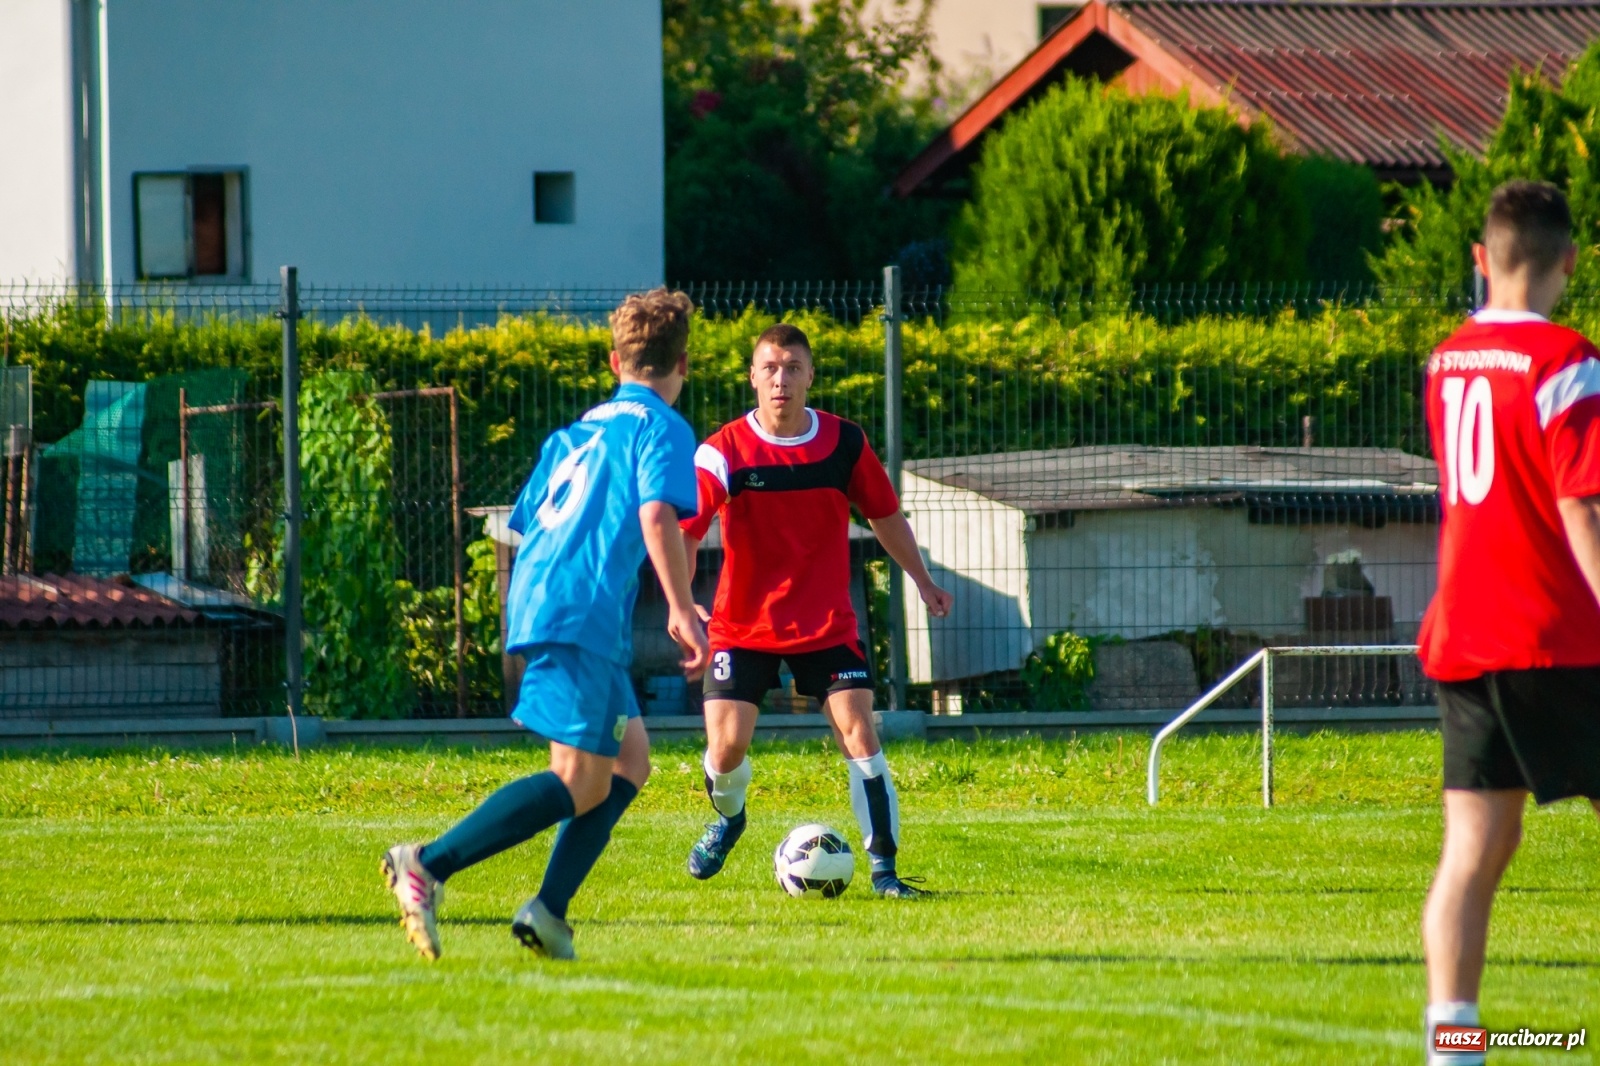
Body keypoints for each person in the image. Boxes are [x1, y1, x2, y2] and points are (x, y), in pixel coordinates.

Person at [380, 289, 709, 961]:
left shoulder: (573, 434)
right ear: (683, 365)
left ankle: (549, 913)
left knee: (630, 762)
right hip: (582, 609)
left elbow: (528, 523)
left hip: (545, 596)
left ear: (614, 360)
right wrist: (681, 608)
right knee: (579, 781)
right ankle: (429, 863)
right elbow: (657, 517)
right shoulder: (664, 428)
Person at [1417, 181, 1600, 1064]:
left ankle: (1453, 1044)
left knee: (1476, 847)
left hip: (1466, 630)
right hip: (1558, 633)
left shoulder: (1447, 359)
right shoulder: (1568, 358)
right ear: (1570, 259)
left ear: (1481, 260)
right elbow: (1580, 506)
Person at [679, 322, 953, 898]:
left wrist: (923, 582)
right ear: (752, 376)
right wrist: (681, 604)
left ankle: (885, 873)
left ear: (810, 375)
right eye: (770, 368)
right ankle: (730, 820)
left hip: (826, 623)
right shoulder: (722, 450)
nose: (781, 379)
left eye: (793, 368)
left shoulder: (844, 442)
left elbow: (884, 515)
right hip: (742, 626)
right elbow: (687, 529)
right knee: (725, 750)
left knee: (861, 735)